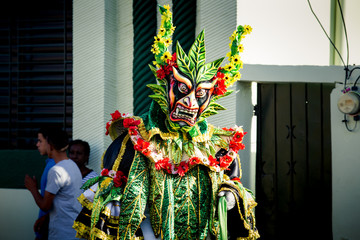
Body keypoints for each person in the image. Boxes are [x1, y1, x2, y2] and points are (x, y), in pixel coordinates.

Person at [73, 5, 259, 240]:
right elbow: (112, 182)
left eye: (200, 95)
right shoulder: (135, 139)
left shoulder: (217, 146)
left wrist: (230, 195)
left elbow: (232, 181)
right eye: (182, 89)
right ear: (165, 88)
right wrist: (114, 196)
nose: (190, 102)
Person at [25, 128, 82, 240]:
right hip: (74, 231)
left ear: (50, 146)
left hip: (63, 233)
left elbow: (45, 206)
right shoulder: (72, 165)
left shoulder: (56, 171)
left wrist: (32, 188)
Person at [25, 128, 56, 240]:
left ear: (49, 143)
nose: (37, 144)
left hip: (49, 229)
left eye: (40, 141)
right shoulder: (50, 164)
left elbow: (48, 205)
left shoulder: (54, 167)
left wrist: (32, 188)